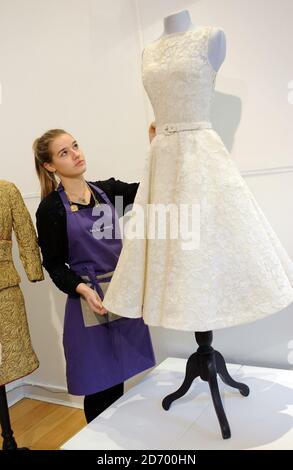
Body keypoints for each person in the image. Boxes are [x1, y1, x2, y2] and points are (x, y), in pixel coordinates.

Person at [34, 128, 155, 423]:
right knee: (99, 382)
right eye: (64, 152)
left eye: (75, 146)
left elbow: (150, 190)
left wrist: (157, 148)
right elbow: (53, 264)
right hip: (89, 303)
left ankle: (121, 442)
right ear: (50, 166)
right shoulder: (51, 209)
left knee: (121, 374)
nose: (76, 154)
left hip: (121, 296)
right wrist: (83, 290)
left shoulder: (108, 192)